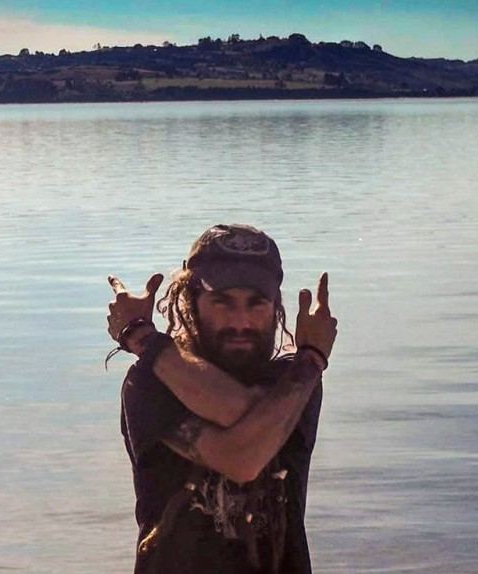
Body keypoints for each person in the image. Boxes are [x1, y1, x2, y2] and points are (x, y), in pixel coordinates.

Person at [106, 224, 338, 574]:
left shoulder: (294, 379)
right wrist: (313, 359)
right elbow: (240, 458)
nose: (240, 321)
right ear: (190, 301)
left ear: (276, 307)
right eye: (222, 302)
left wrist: (143, 339)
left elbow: (242, 422)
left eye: (256, 303)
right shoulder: (149, 384)